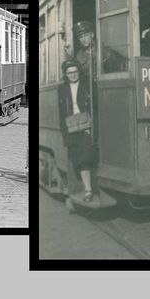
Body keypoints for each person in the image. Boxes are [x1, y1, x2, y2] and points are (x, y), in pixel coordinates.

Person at [58, 60, 97, 202]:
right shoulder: (62, 89)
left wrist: (93, 127)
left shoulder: (88, 85)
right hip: (71, 126)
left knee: (85, 157)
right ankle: (85, 187)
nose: (73, 75)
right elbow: (61, 112)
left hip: (86, 125)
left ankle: (88, 190)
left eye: (75, 72)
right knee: (77, 158)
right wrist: (65, 133)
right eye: (70, 73)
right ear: (66, 75)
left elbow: (95, 106)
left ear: (79, 72)